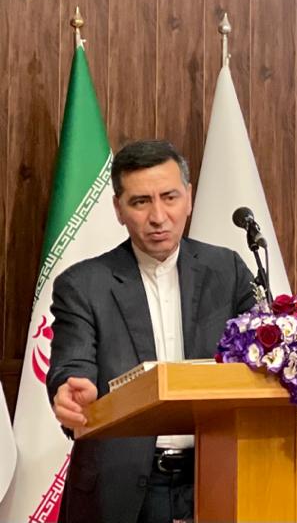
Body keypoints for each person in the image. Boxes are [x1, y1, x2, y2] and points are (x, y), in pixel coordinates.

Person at [47, 139, 256, 523]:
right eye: (141, 202)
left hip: (216, 472)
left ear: (189, 198)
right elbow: (71, 363)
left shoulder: (228, 270)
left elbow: (268, 359)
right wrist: (71, 390)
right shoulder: (83, 284)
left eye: (169, 197)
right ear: (118, 209)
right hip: (119, 486)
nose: (158, 217)